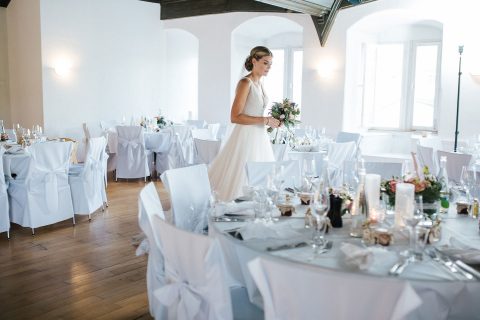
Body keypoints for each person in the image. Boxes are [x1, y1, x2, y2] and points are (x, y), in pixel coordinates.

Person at [208, 46, 281, 201]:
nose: (268, 67)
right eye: (265, 63)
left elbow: (255, 111)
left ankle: (258, 206)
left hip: (259, 136)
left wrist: (272, 120)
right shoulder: (245, 82)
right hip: (245, 136)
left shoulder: (260, 83)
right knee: (241, 175)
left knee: (259, 175)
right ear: (254, 61)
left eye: (270, 64)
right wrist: (265, 120)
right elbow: (234, 117)